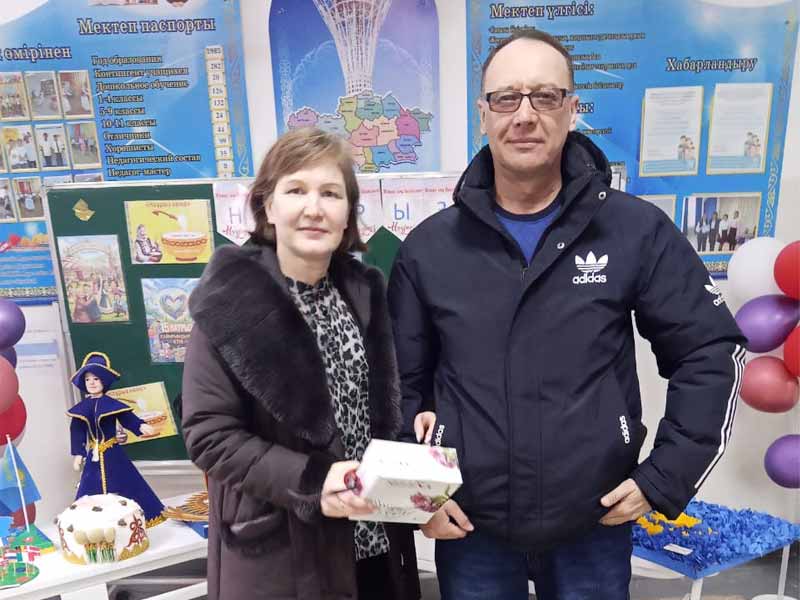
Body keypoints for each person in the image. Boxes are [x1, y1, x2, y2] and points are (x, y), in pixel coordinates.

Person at [387, 30, 745, 600]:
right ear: (483, 114)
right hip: (471, 527)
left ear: (572, 109)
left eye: (545, 96)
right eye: (507, 97)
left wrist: (664, 476)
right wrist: (418, 497)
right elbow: (399, 383)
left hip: (593, 524)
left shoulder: (634, 231)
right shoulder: (430, 249)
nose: (525, 115)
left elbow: (709, 349)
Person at [181, 127, 420, 600]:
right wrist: (314, 479)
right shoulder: (230, 303)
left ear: (348, 213)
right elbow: (209, 436)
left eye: (330, 193)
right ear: (268, 207)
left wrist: (420, 492)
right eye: (296, 190)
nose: (314, 208)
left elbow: (379, 422)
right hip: (282, 555)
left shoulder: (365, 294)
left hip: (373, 542)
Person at [68, 352, 166, 525]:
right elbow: (77, 431)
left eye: (96, 379)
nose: (91, 383)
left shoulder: (111, 404)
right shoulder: (81, 408)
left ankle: (135, 520)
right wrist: (78, 453)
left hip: (113, 453)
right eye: (88, 379)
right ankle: (94, 525)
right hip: (93, 457)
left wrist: (140, 426)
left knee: (126, 484)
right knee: (89, 488)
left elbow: (128, 419)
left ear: (104, 382)